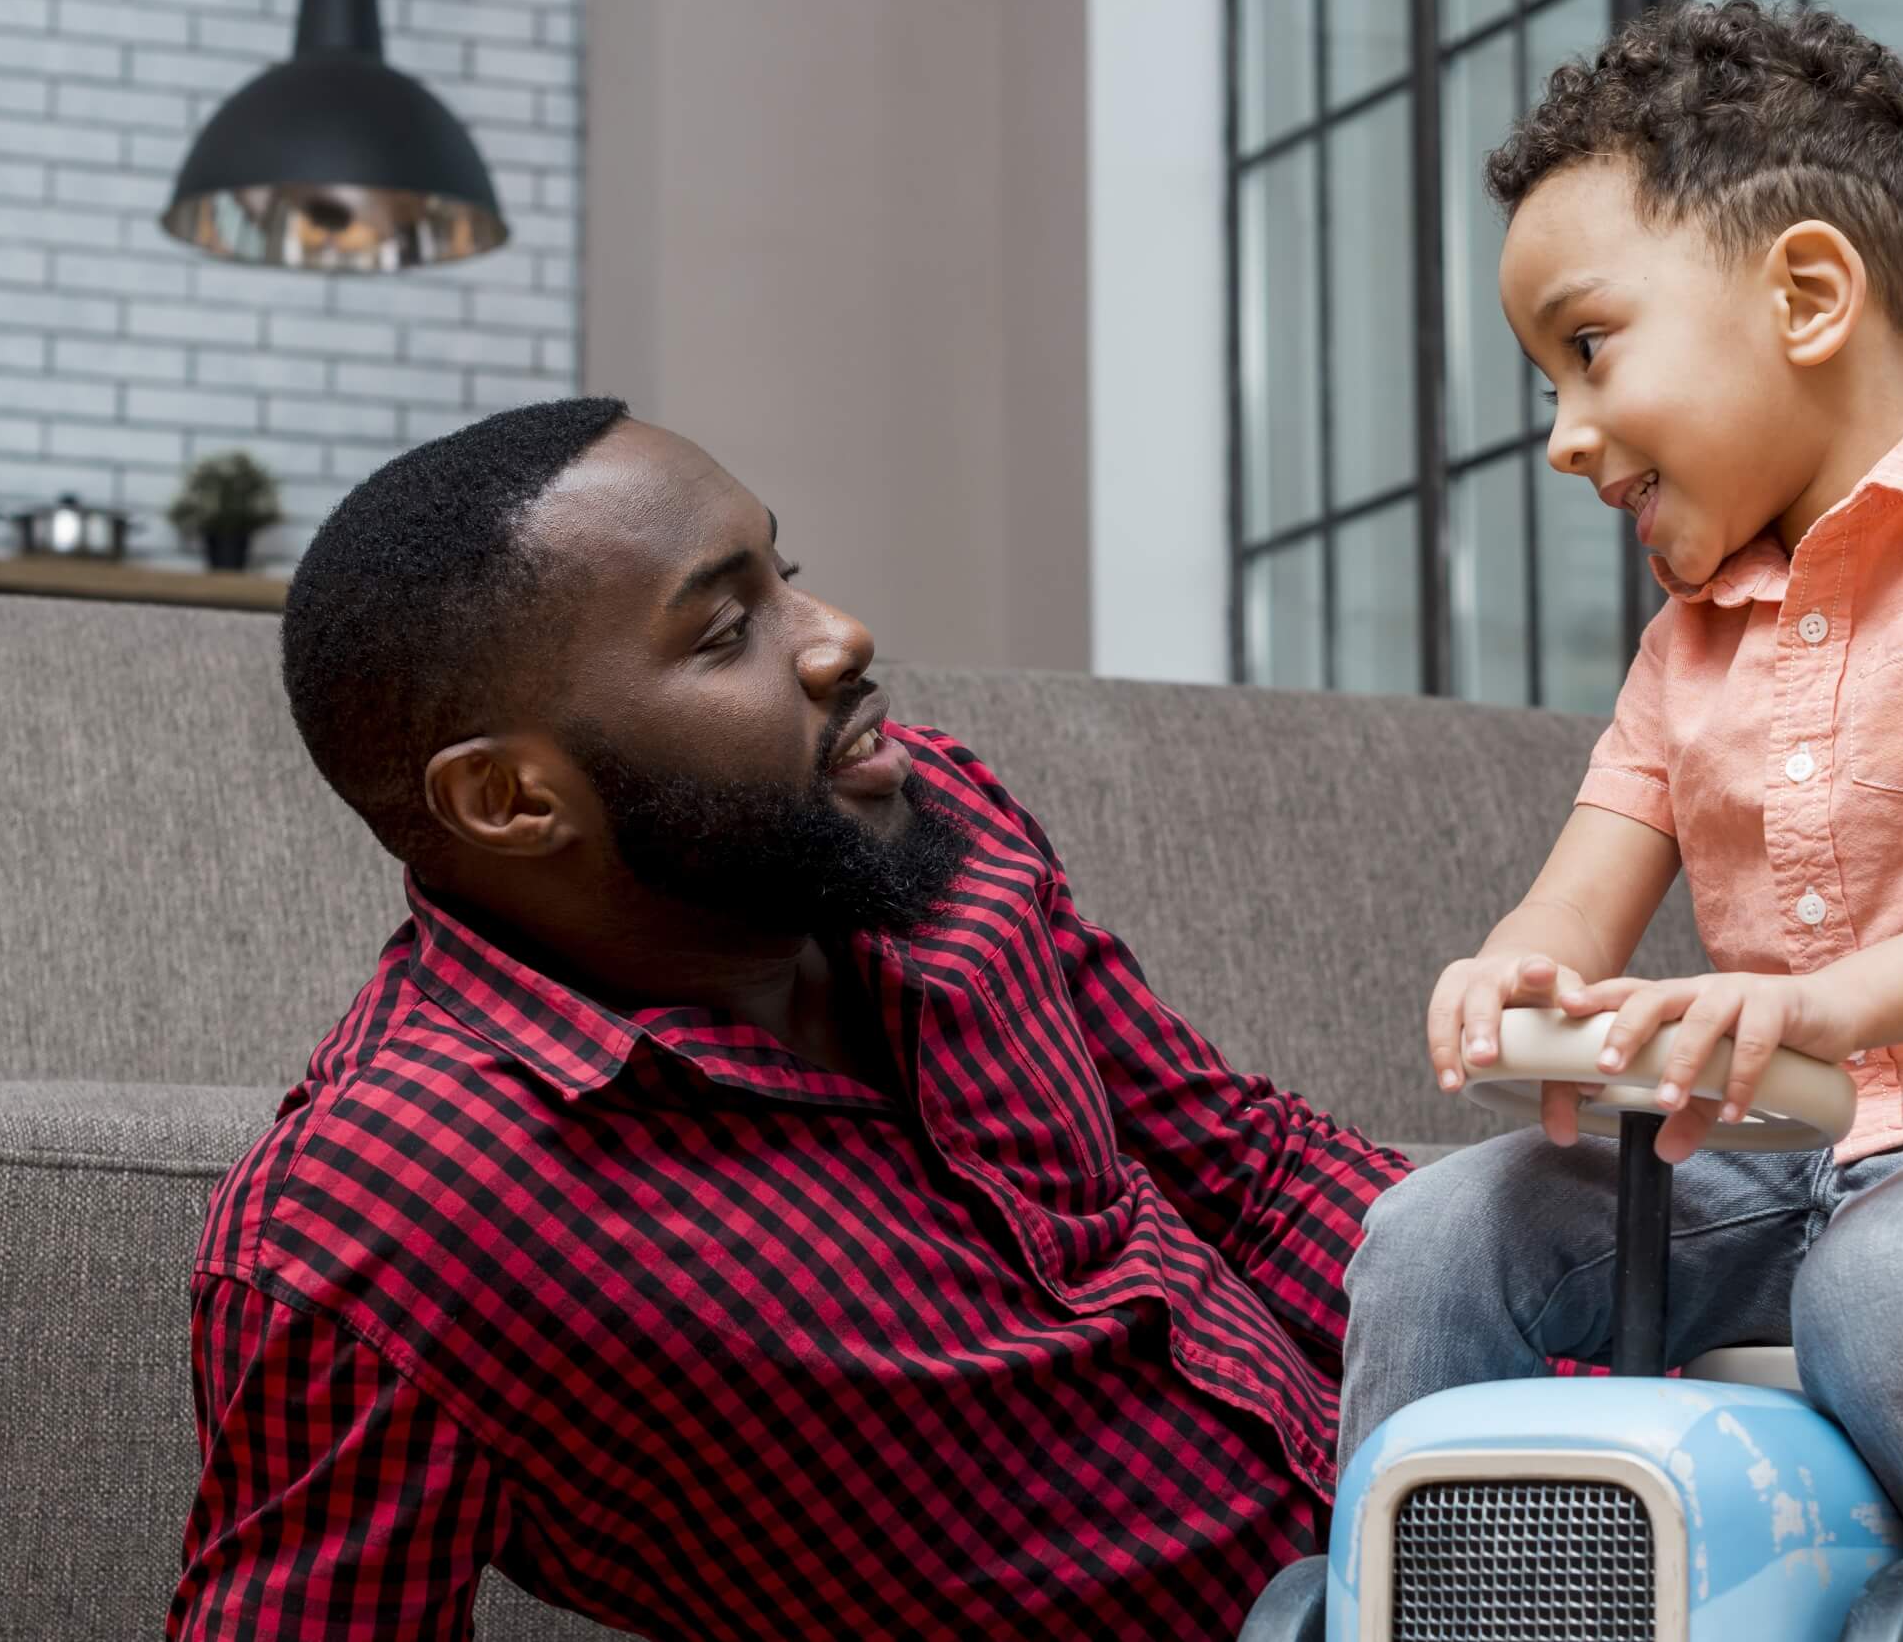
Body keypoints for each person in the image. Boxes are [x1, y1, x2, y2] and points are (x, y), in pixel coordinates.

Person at [166, 399, 1415, 1639]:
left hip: (1465, 1531)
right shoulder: (379, 1218)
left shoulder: (923, 821)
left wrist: (1543, 1387)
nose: (838, 638)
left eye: (791, 575)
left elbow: (1248, 1175)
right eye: (723, 632)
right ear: (506, 796)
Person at [1342, 0, 1903, 1642]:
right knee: (1433, 1232)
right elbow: (1572, 909)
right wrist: (1517, 975)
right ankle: (1423, 1610)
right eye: (1545, 378)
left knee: (1891, 1293)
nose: (1562, 437)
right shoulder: (1684, 648)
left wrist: (1825, 1001)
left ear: (1810, 293)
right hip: (1819, 1180)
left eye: (1588, 348)